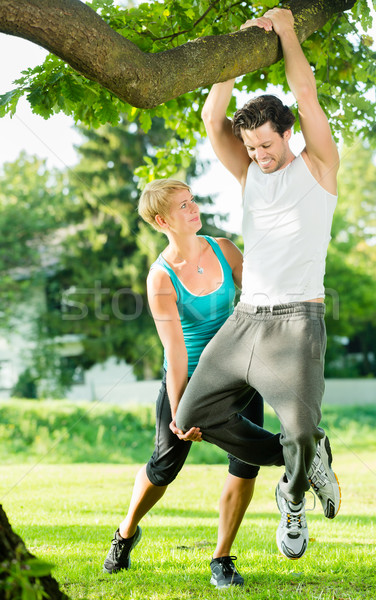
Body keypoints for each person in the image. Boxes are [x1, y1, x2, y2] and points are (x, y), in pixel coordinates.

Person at [175, 7, 341, 561]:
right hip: (246, 320)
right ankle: (306, 454)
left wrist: (286, 29)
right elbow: (210, 116)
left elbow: (306, 91)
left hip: (298, 321)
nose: (258, 156)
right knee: (190, 417)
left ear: (288, 134)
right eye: (251, 148)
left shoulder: (317, 167)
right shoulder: (249, 173)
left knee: (297, 429)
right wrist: (236, 47)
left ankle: (293, 499)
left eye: (266, 145)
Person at [102, 178, 285, 588]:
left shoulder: (224, 250)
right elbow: (175, 351)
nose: (194, 208)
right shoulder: (161, 277)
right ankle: (126, 532)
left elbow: (261, 298)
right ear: (162, 220)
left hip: (237, 375)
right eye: (183, 206)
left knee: (245, 463)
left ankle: (222, 558)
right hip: (187, 378)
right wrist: (183, 410)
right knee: (164, 467)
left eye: (192, 200)